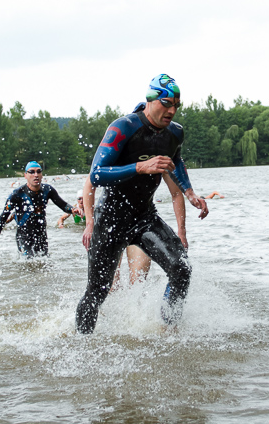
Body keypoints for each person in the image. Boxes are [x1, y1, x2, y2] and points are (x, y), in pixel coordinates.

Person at [75, 73, 208, 334]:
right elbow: (97, 174)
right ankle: (80, 341)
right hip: (111, 218)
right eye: (166, 103)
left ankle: (168, 330)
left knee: (181, 269)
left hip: (144, 216)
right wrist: (140, 167)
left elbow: (176, 161)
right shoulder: (123, 127)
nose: (172, 110)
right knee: (98, 291)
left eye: (176, 105)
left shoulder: (175, 133)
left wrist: (190, 193)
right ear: (150, 100)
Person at [80, 173, 187, 289]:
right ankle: (114, 306)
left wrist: (181, 232)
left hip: (142, 223)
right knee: (110, 285)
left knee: (138, 282)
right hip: (110, 223)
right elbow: (89, 184)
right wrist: (90, 224)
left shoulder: (160, 157)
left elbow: (176, 193)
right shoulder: (115, 155)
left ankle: (136, 307)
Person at [0, 161, 76, 257]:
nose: (36, 175)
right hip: (23, 236)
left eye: (38, 172)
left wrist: (73, 210)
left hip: (41, 234)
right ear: (25, 175)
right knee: (28, 261)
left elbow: (63, 205)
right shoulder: (17, 194)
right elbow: (3, 216)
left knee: (43, 262)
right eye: (32, 172)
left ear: (41, 175)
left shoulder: (48, 190)